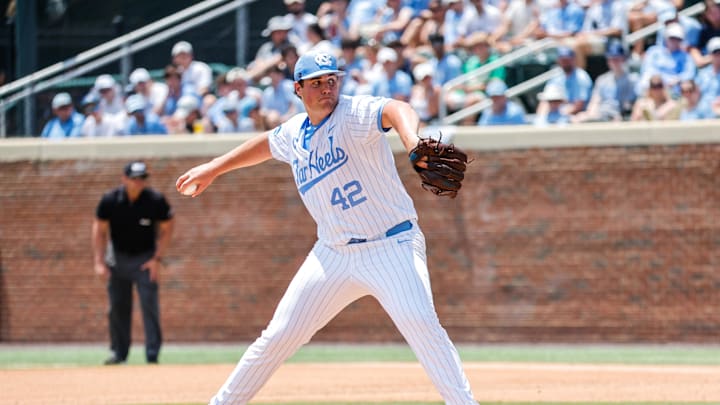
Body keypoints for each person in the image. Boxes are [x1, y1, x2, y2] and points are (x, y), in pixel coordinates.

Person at [175, 50, 478, 405]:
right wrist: (214, 168)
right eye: (316, 82)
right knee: (278, 336)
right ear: (298, 89)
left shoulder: (352, 114)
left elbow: (395, 108)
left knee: (422, 326)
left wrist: (411, 140)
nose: (326, 88)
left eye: (332, 80)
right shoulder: (294, 133)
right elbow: (266, 144)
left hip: (391, 245)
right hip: (332, 254)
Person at [92, 161, 174, 365]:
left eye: (142, 178)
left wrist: (157, 259)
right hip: (117, 258)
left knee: (149, 304)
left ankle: (152, 355)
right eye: (134, 178)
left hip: (145, 259)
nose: (138, 182)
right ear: (124, 179)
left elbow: (167, 228)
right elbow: (99, 230)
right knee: (117, 307)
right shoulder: (110, 200)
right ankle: (119, 354)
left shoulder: (155, 200)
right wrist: (99, 262)